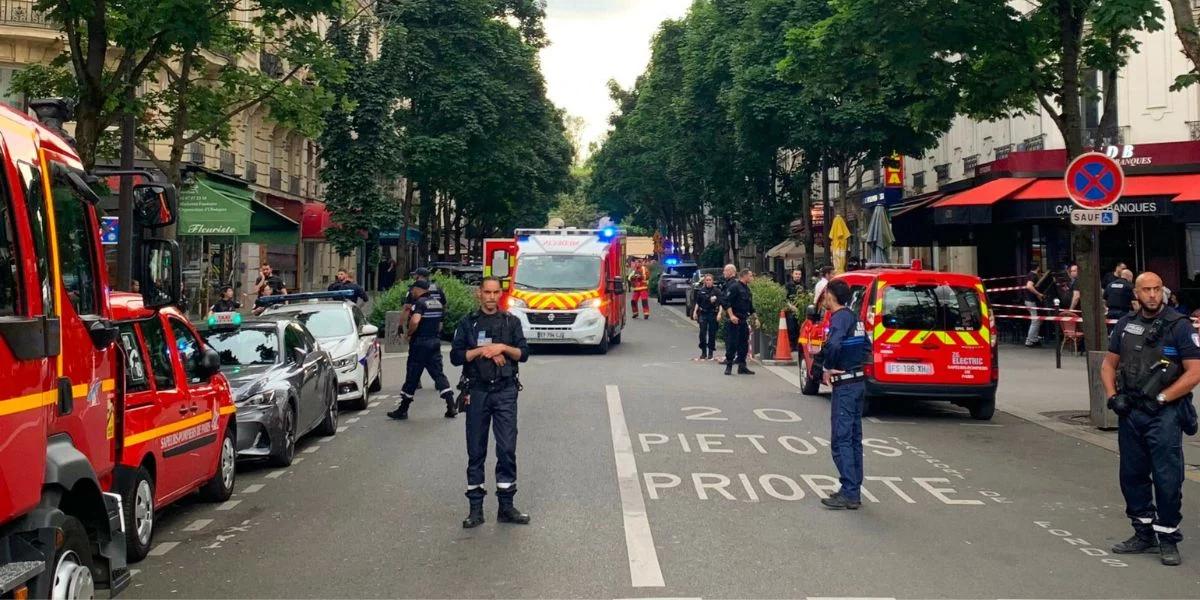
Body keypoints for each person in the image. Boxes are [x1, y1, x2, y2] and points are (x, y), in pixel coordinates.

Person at [1101, 272, 1200, 567]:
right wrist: (1111, 395)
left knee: (1168, 479)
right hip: (1131, 411)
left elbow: (1195, 372)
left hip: (1165, 413)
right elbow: (1108, 364)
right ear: (1137, 294)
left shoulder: (1179, 327)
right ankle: (1143, 532)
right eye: (1147, 290)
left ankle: (1168, 537)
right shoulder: (1124, 325)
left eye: (1157, 289)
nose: (1153, 295)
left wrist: (1163, 398)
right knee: (1132, 475)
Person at [449, 277, 531, 528]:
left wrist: (502, 348)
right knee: (476, 450)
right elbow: (455, 357)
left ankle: (506, 506)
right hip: (477, 392)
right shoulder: (467, 323)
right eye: (487, 292)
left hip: (505, 392)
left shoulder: (511, 322)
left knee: (506, 449)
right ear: (479, 294)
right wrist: (481, 352)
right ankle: (476, 509)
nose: (491, 297)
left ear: (500, 294)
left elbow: (523, 354)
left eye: (496, 292)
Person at [820, 279, 871, 510]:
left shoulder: (839, 319)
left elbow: (833, 345)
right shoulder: (854, 318)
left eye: (825, 295)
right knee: (853, 439)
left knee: (841, 440)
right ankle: (853, 489)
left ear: (831, 295)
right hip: (858, 382)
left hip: (846, 386)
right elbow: (867, 347)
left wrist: (828, 367)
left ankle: (849, 492)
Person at [387, 279, 456, 420]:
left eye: (413, 289)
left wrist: (409, 333)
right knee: (438, 374)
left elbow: (415, 320)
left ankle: (403, 409)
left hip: (420, 343)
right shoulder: (436, 303)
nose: (412, 292)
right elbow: (440, 322)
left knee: (412, 375)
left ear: (419, 289)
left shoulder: (419, 303)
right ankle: (451, 405)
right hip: (434, 342)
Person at [723, 269, 756, 376]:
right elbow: (726, 302)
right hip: (734, 320)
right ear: (744, 276)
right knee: (732, 344)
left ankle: (742, 366)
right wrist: (731, 315)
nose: (752, 278)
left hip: (743, 320)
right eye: (750, 276)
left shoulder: (747, 289)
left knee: (744, 344)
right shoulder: (734, 287)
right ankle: (729, 366)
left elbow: (749, 306)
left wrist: (755, 317)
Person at [692, 273, 721, 360]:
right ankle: (703, 352)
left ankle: (711, 352)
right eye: (707, 280)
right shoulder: (701, 291)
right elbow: (698, 302)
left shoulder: (716, 291)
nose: (708, 282)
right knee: (702, 333)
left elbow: (721, 303)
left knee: (712, 333)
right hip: (703, 313)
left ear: (713, 281)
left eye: (710, 280)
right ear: (704, 281)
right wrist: (694, 312)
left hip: (712, 313)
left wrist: (719, 313)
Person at [1023, 262, 1046, 347]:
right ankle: (1029, 341)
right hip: (1031, 301)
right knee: (1035, 321)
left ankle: (1034, 338)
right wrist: (1038, 294)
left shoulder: (1029, 274)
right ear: (1038, 268)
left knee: (1038, 320)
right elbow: (1029, 286)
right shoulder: (1033, 275)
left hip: (1029, 300)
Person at [785, 269, 804, 348]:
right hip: (791, 310)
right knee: (791, 328)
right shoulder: (788, 285)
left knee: (799, 328)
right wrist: (791, 306)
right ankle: (792, 345)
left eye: (799, 274)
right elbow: (784, 299)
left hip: (800, 310)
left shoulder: (803, 285)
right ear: (792, 275)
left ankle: (798, 345)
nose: (798, 276)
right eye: (796, 274)